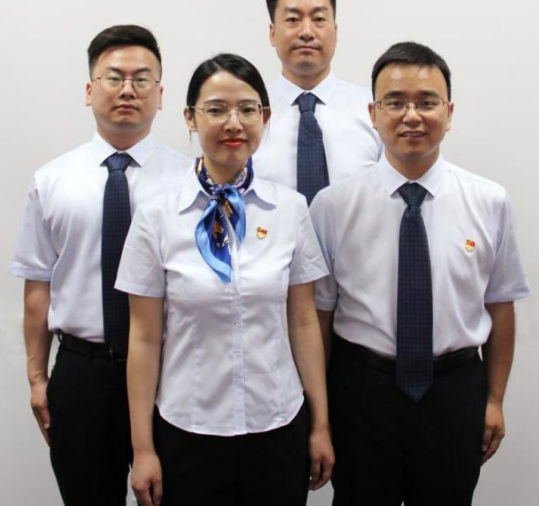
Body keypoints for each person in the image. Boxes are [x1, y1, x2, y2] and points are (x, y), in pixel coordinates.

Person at [310, 42, 531, 506]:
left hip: (454, 391)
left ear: (449, 113)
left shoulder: (489, 201)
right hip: (361, 392)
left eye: (427, 102)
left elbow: (500, 305)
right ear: (373, 114)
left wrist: (494, 399)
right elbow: (321, 318)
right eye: (395, 102)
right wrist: (321, 418)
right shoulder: (332, 206)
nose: (412, 115)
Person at [115, 53, 334, 506]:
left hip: (277, 423)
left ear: (264, 118)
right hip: (188, 427)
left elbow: (303, 323)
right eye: (216, 109)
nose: (233, 123)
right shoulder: (157, 216)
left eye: (247, 109)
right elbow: (144, 337)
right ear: (190, 117)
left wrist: (320, 425)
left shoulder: (290, 209)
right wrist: (142, 448)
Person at [8, 25, 191, 506]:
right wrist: (37, 378)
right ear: (90, 90)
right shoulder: (52, 181)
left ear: (160, 95)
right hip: (82, 373)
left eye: (142, 79)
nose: (128, 89)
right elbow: (38, 287)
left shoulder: (190, 182)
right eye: (114, 77)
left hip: (171, 369)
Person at [253, 0, 381, 204]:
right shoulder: (248, 115)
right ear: (272, 33)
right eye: (293, 20)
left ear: (335, 31)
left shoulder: (373, 111)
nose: (306, 32)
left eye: (319, 19)